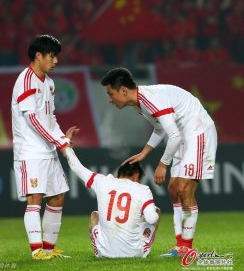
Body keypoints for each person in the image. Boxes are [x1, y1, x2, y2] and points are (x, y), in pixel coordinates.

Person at [100, 67, 217, 257]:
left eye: (110, 93)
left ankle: (186, 247)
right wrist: (145, 152)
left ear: (123, 91)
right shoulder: (140, 104)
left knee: (184, 189)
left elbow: (173, 134)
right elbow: (160, 129)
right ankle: (180, 246)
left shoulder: (150, 100)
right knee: (173, 189)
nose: (109, 99)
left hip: (197, 131)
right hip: (182, 135)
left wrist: (163, 164)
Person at [11, 35, 70, 260]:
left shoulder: (50, 83)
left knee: (57, 197)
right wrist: (57, 141)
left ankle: (48, 249)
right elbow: (32, 119)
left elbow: (50, 117)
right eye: (52, 56)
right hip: (30, 151)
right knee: (35, 198)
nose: (56, 61)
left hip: (48, 149)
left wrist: (61, 138)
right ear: (38, 55)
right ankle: (36, 250)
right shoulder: (26, 80)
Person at [62, 126, 161, 258]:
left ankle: (99, 249)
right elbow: (151, 218)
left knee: (94, 216)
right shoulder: (142, 190)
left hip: (105, 253)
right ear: (136, 175)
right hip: (135, 253)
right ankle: (143, 246)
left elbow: (76, 167)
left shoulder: (102, 182)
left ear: (119, 173)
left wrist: (67, 143)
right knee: (156, 212)